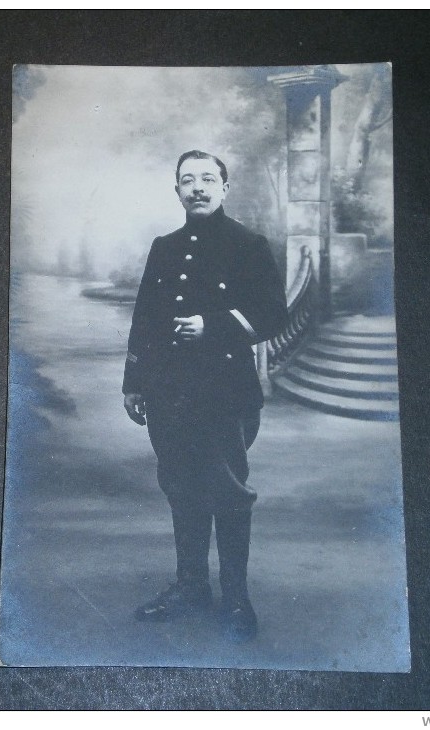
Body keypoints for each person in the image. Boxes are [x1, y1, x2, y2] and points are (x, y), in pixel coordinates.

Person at [122, 150, 288, 642]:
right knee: (181, 487)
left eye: (208, 179)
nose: (198, 187)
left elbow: (274, 313)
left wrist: (211, 326)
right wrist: (134, 381)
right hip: (168, 393)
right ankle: (191, 587)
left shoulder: (248, 244)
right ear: (176, 190)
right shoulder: (164, 246)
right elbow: (146, 317)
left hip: (225, 394)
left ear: (225, 188)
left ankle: (236, 597)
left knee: (228, 493)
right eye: (187, 180)